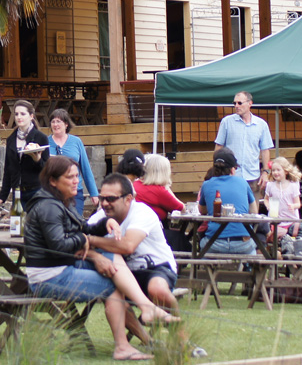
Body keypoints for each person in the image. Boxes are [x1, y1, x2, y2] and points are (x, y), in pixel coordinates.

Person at [24, 156, 175, 361]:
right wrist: (84, 239)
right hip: (48, 276)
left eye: (77, 176)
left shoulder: (59, 202)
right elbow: (59, 245)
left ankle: (146, 310)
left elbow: (83, 228)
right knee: (113, 285)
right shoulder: (49, 206)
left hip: (60, 266)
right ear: (53, 181)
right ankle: (123, 345)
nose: (76, 181)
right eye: (70, 177)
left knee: (109, 256)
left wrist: (106, 224)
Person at [86, 173, 179, 311]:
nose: (105, 204)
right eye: (102, 198)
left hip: (157, 266)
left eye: (111, 199)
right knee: (115, 300)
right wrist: (96, 256)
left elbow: (128, 245)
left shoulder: (142, 213)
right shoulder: (99, 217)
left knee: (157, 289)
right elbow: (77, 243)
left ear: (128, 199)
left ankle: (180, 329)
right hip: (122, 273)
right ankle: (144, 332)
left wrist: (91, 240)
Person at [196, 149, 257, 255]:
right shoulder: (243, 182)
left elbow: (202, 211)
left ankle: (207, 271)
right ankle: (249, 268)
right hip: (242, 243)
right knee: (252, 249)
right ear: (232, 169)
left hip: (214, 243)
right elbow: (254, 212)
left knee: (203, 247)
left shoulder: (206, 184)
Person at [213, 90, 274, 195]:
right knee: (232, 208)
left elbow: (265, 150)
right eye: (234, 103)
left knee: (253, 210)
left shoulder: (261, 124)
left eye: (240, 103)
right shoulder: (227, 122)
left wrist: (265, 172)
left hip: (253, 176)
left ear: (250, 103)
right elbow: (219, 147)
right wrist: (216, 169)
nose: (236, 106)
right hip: (230, 176)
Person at [0, 100, 50, 210]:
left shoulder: (40, 137)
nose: (19, 117)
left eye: (23, 114)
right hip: (18, 193)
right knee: (19, 226)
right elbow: (9, 169)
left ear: (31, 116)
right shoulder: (11, 139)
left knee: (35, 226)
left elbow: (47, 170)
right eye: (16, 114)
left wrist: (37, 159)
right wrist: (2, 196)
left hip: (37, 191)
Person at [47, 109, 98, 216]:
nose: (55, 124)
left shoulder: (76, 141)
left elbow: (85, 168)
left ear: (66, 124)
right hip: (53, 192)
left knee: (75, 222)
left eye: (58, 121)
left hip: (74, 191)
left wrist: (94, 193)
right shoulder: (45, 142)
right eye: (53, 122)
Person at [134, 154, 185, 222]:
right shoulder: (159, 191)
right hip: (152, 229)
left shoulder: (134, 184)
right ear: (164, 172)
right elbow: (182, 209)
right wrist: (166, 188)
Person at [263, 157, 302, 235]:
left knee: (291, 239)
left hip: (291, 220)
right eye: (273, 170)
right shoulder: (270, 185)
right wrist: (268, 206)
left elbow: (298, 204)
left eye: (278, 170)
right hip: (276, 220)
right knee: (275, 238)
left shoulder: (293, 186)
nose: (275, 172)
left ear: (286, 171)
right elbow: (266, 199)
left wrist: (293, 206)